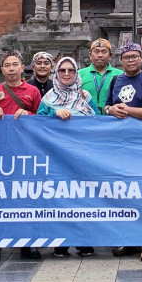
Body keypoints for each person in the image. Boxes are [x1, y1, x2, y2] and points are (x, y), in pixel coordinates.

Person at [106, 40, 142, 262]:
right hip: (121, 146)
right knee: (125, 192)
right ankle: (128, 239)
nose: (131, 60)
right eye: (126, 57)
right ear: (120, 60)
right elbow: (108, 106)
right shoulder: (115, 80)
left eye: (134, 56)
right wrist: (111, 109)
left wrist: (128, 110)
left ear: (141, 58)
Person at [0, 51, 42, 260]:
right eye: (7, 65)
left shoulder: (32, 91)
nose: (11, 68)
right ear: (2, 70)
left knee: (24, 197)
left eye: (15, 64)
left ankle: (27, 243)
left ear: (22, 67)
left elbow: (41, 120)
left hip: (25, 151)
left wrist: (29, 114)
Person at [37, 57, 98, 258]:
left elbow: (97, 122)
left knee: (83, 198)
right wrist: (54, 114)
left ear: (76, 73)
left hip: (82, 155)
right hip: (57, 157)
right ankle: (61, 243)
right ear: (56, 73)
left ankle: (84, 241)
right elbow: (36, 125)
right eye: (62, 70)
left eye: (70, 70)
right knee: (60, 199)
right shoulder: (48, 98)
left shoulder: (85, 96)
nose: (66, 74)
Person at [79, 38, 122, 115]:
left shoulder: (120, 75)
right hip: (87, 119)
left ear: (110, 55)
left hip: (112, 120)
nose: (100, 55)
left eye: (104, 52)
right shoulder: (79, 75)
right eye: (96, 52)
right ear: (90, 55)